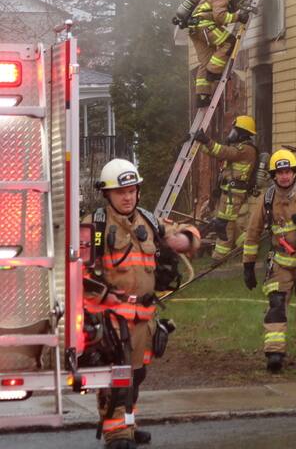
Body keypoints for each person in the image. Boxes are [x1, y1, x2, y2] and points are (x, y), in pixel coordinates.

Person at [84, 159, 201, 449]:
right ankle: (116, 435)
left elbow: (186, 231)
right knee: (118, 376)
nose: (127, 197)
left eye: (131, 191)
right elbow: (78, 273)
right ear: (107, 193)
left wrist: (185, 240)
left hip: (144, 318)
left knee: (136, 375)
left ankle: (128, 424)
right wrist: (105, 297)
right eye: (120, 192)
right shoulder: (94, 226)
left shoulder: (148, 221)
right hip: (112, 319)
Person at [243, 149, 296, 372]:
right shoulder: (267, 199)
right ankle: (274, 353)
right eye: (280, 173)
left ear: (294, 173)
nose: (285, 176)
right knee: (276, 305)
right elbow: (253, 232)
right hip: (280, 262)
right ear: (274, 175)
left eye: (288, 172)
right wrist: (248, 265)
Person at [194, 114, 260, 262]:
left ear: (242, 133)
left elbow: (223, 152)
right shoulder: (238, 148)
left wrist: (206, 140)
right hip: (229, 192)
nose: (232, 133)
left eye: (235, 130)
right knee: (229, 222)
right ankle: (245, 244)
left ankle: (220, 256)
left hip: (234, 194)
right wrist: (198, 143)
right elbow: (216, 152)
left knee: (224, 224)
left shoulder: (246, 149)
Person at [186, 0, 253, 108]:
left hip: (195, 29)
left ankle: (202, 95)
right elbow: (220, 16)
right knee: (230, 42)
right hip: (205, 26)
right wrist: (239, 17)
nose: (238, 3)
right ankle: (213, 72)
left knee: (206, 61)